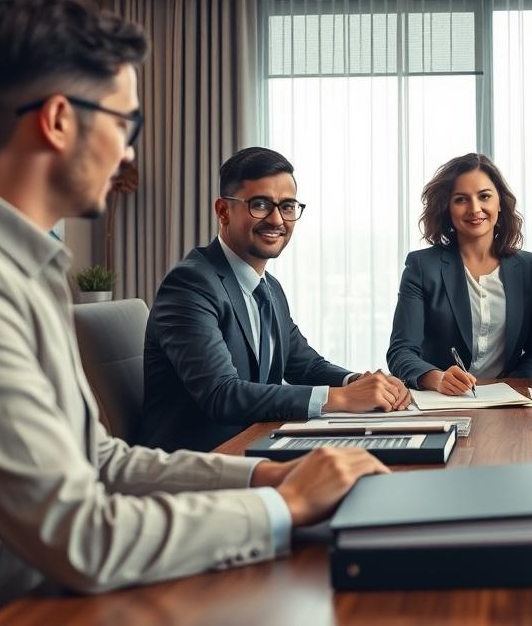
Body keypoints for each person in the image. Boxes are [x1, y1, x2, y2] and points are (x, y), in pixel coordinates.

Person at [0, 0, 387, 625]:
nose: (129, 154)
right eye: (126, 125)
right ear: (59, 120)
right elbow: (83, 537)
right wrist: (284, 508)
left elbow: (97, 460)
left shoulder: (16, 264)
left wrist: (265, 479)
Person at [140, 147, 412, 452]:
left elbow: (304, 365)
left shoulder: (269, 288)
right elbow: (221, 394)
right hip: (198, 461)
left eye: (287, 206)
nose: (276, 219)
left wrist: (358, 382)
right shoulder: (191, 284)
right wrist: (342, 399)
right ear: (223, 211)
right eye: (260, 204)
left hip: (257, 445)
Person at [387, 153, 532, 394]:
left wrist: (513, 384)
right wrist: (436, 378)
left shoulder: (530, 267)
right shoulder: (422, 266)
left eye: (484, 197)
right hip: (444, 401)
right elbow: (401, 352)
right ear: (447, 208)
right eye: (461, 199)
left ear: (499, 202)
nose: (475, 208)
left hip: (509, 400)